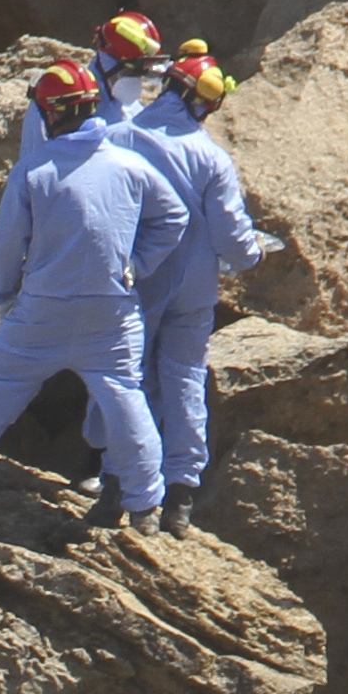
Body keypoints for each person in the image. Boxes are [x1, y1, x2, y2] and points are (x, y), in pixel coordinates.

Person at [0, 65, 188, 528]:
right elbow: (174, 218)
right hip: (113, 309)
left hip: (44, 309)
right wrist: (137, 265)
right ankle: (144, 502)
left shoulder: (34, 170)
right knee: (125, 398)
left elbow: (6, 248)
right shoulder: (129, 165)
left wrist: (0, 295)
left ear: (48, 113)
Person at [117, 43, 282, 525]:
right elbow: (233, 236)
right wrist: (251, 254)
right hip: (195, 286)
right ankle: (182, 492)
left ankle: (119, 478)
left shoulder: (123, 137)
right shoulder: (212, 158)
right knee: (184, 377)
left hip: (138, 279)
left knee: (127, 376)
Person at [12, 12, 168, 170]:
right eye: (132, 71)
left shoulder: (132, 107)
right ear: (110, 61)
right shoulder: (58, 103)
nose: (138, 79)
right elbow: (31, 170)